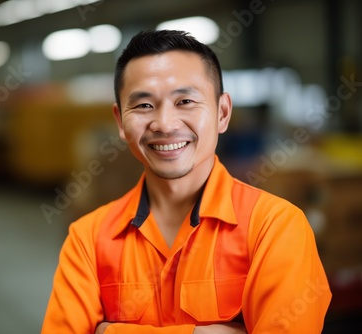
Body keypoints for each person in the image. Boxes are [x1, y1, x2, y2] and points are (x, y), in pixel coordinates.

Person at [41, 30, 331, 333]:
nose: (165, 124)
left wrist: (111, 331)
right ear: (120, 122)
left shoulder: (275, 228)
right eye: (143, 105)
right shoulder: (88, 238)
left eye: (186, 101)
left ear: (222, 112)